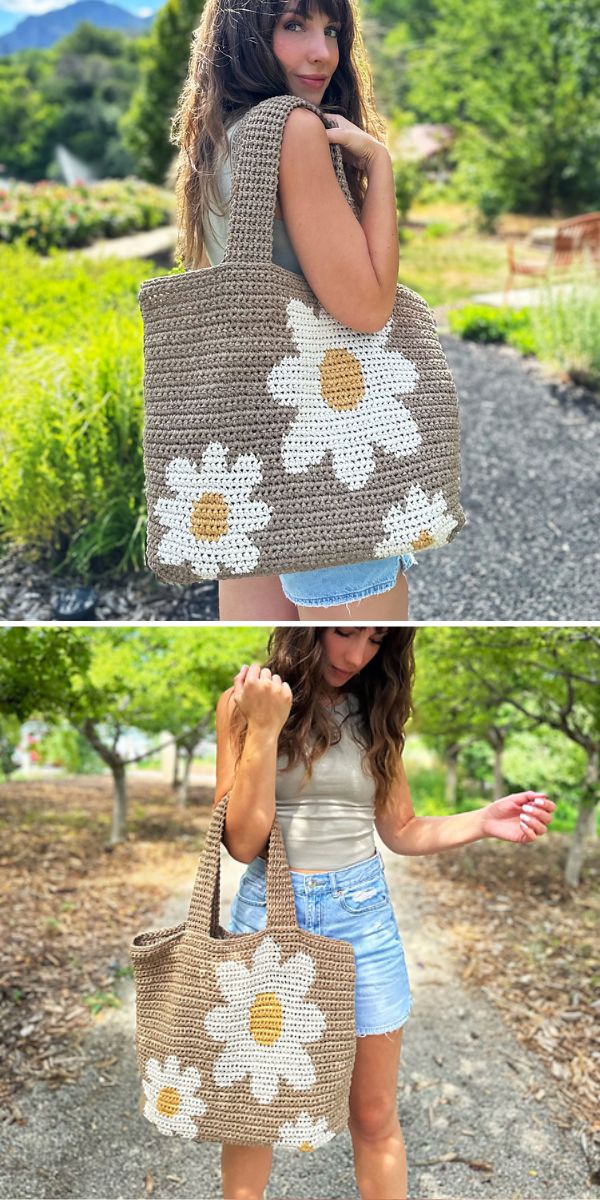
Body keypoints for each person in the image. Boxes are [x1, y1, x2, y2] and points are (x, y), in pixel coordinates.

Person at [213, 625, 556, 1200]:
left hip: (361, 918)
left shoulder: (376, 710)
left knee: (373, 1117)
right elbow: (243, 842)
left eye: (376, 641)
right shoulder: (247, 700)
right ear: (308, 627)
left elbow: (400, 829)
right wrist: (267, 726)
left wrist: (481, 820)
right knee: (254, 1114)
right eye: (345, 633)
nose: (356, 655)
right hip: (267, 916)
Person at [172, 0, 417, 621]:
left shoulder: (218, 136)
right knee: (369, 665)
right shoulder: (296, 129)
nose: (323, 52)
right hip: (324, 457)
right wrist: (379, 167)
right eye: (294, 26)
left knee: (274, 655)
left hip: (246, 459)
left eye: (331, 29)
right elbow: (367, 308)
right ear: (245, 33)